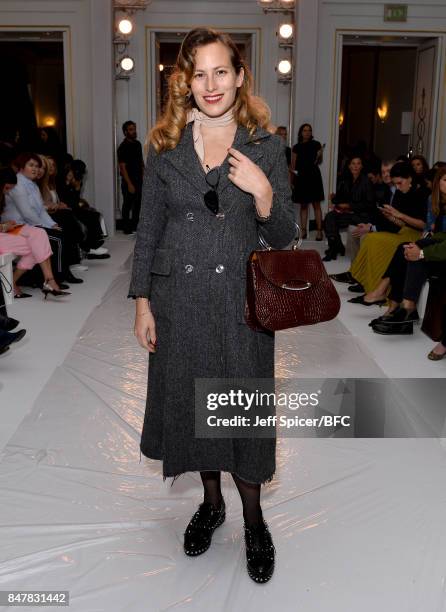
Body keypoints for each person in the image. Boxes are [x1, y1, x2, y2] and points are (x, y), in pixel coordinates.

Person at [128, 27, 295, 584]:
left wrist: (265, 195)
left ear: (240, 76)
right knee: (195, 411)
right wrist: (142, 303)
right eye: (198, 73)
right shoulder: (165, 149)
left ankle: (252, 517)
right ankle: (212, 503)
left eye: (220, 70)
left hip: (241, 309)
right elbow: (148, 230)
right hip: (181, 303)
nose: (211, 83)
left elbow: (286, 236)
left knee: (240, 413)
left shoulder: (267, 147)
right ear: (185, 82)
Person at [348, 161, 429, 303]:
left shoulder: (422, 193)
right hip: (403, 231)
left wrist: (399, 215)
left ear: (409, 177)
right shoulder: (400, 192)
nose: (397, 186)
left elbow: (423, 224)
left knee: (376, 241)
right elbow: (400, 223)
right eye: (395, 183)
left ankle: (379, 293)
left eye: (399, 183)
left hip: (416, 235)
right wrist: (390, 216)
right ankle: (370, 288)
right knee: (371, 239)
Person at [0, 166, 69, 299]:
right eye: (7, 188)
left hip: (5, 232)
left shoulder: (2, 196)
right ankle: (47, 281)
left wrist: (5, 226)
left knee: (39, 234)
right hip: (2, 233)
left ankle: (49, 280)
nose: (7, 192)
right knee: (35, 246)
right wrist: (3, 226)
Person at [323, 156, 374, 261]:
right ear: (349, 166)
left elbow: (369, 204)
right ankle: (335, 247)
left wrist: (349, 206)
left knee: (333, 219)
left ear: (362, 166)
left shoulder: (366, 181)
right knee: (330, 217)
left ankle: (336, 248)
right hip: (348, 214)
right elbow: (339, 198)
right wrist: (334, 199)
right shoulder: (346, 180)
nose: (355, 166)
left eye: (358, 163)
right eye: (353, 163)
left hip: (360, 215)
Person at [291, 123, 324, 240]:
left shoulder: (316, 144)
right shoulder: (296, 147)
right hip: (302, 177)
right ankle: (303, 231)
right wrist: (292, 181)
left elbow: (319, 161)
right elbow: (293, 166)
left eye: (309, 130)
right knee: (303, 205)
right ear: (301, 132)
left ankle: (320, 232)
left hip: (314, 176)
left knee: (316, 204)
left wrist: (320, 155)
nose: (307, 132)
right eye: (305, 130)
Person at [117, 121, 144, 234]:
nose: (134, 131)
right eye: (131, 129)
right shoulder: (122, 147)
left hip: (139, 180)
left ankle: (134, 227)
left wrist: (144, 176)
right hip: (129, 181)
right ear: (125, 132)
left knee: (137, 204)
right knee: (127, 204)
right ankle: (126, 229)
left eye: (134, 128)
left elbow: (141, 162)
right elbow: (122, 167)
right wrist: (129, 184)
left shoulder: (138, 144)